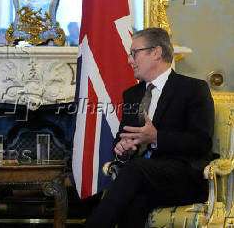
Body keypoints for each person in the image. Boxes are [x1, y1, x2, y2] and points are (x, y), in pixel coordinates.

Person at [86, 27, 215, 228]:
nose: (129, 60)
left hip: (183, 177)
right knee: (134, 202)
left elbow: (202, 142)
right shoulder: (132, 94)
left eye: (134, 53)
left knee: (135, 171)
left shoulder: (192, 89)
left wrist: (156, 137)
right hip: (143, 179)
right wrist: (123, 149)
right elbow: (124, 137)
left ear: (155, 53)